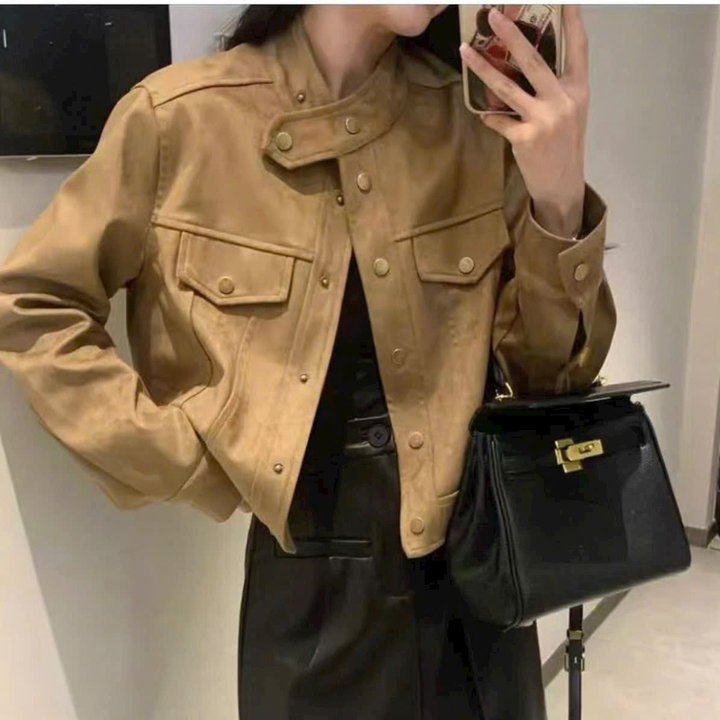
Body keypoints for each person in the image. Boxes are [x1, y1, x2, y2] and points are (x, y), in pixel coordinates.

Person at [0, 4, 616, 719]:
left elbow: (551, 378)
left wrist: (558, 196)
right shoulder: (182, 120)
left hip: (484, 578)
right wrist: (177, 456)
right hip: (311, 600)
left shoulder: (474, 125)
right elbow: (32, 304)